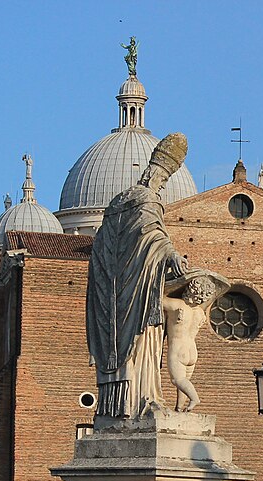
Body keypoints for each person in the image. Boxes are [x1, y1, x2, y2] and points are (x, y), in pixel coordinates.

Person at [87, 132, 190, 418]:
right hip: (139, 294)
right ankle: (144, 398)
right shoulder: (148, 200)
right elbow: (152, 234)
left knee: (124, 344)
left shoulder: (117, 202)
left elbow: (106, 245)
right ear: (159, 176)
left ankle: (118, 404)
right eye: (164, 180)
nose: (163, 184)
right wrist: (171, 255)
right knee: (144, 342)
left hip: (114, 289)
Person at [162, 271, 228, 412]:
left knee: (177, 380)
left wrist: (173, 283)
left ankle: (194, 398)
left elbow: (156, 298)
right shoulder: (200, 313)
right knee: (185, 381)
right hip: (192, 351)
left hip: (179, 350)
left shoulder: (177, 305)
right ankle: (179, 408)